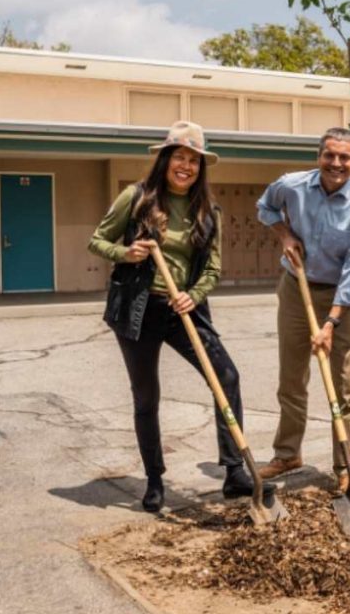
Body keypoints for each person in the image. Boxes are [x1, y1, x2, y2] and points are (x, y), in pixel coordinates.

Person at [88, 120, 258, 513]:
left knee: (226, 377)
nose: (186, 166)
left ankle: (234, 473)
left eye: (194, 161)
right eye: (179, 157)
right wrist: (126, 253)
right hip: (138, 308)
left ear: (201, 168)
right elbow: (96, 240)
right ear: (165, 160)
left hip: (185, 309)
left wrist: (192, 296)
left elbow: (213, 270)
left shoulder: (208, 211)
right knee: (147, 396)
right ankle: (154, 480)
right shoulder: (136, 198)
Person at [255, 127, 350, 494]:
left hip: (343, 297)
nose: (336, 163)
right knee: (292, 377)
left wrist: (331, 322)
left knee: (343, 385)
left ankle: (347, 465)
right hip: (297, 287)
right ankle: (287, 453)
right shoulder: (290, 186)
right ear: (318, 156)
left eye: (345, 157)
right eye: (330, 155)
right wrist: (284, 235)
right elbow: (264, 208)